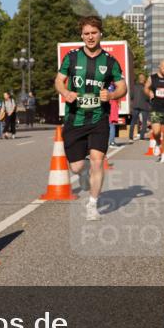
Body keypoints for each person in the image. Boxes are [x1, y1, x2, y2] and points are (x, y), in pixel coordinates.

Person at [54, 15, 127, 221]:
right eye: (86, 33)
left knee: (97, 161)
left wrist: (112, 94)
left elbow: (123, 86)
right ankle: (83, 173)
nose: (90, 37)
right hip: (75, 118)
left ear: (100, 33)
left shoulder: (110, 61)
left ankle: (92, 205)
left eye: (94, 33)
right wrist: (65, 92)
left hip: (98, 119)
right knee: (76, 167)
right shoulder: (72, 57)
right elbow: (59, 81)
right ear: (81, 35)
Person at [128, 73, 151, 142]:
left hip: (135, 105)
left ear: (139, 79)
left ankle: (130, 138)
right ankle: (141, 137)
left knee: (133, 121)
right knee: (144, 122)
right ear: (144, 79)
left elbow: (131, 96)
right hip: (144, 105)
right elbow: (148, 97)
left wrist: (134, 101)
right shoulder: (146, 87)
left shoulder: (134, 86)